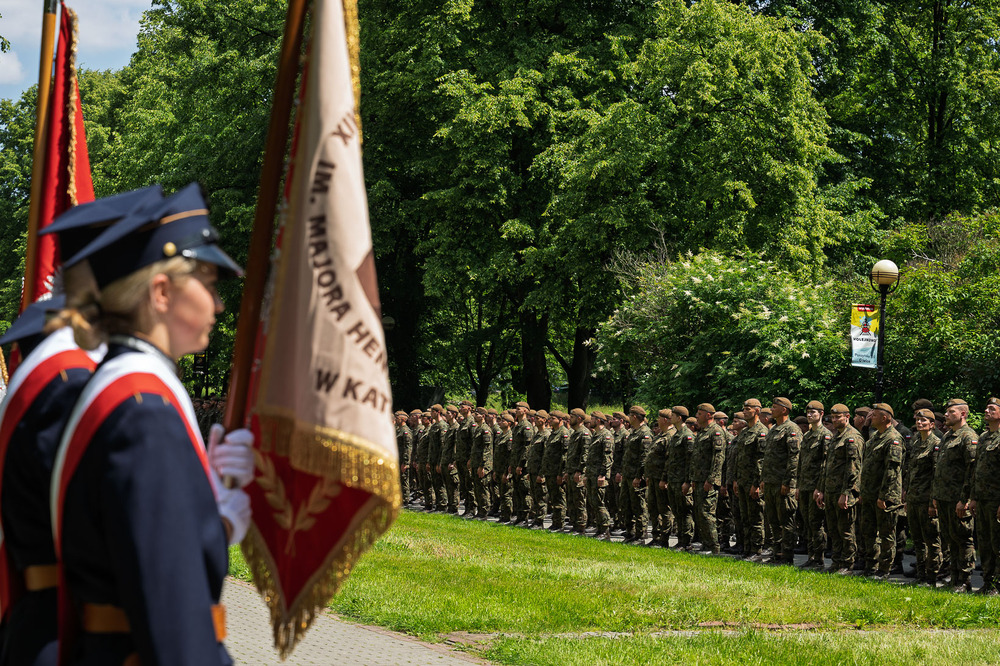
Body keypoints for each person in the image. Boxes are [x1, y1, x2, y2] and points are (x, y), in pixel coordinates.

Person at [50, 183, 254, 664]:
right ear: (161, 292)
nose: (219, 304)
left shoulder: (127, 388)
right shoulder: (145, 413)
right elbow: (178, 625)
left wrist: (213, 512)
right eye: (207, 282)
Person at [932, 398, 978, 593]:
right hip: (944, 497)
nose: (947, 415)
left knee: (963, 538)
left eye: (951, 412)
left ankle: (965, 580)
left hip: (958, 498)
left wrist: (965, 499)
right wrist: (936, 494)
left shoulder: (968, 436)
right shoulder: (948, 436)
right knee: (949, 538)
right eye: (947, 411)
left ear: (963, 414)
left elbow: (972, 470)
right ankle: (954, 577)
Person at [760, 397, 801, 564]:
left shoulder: (791, 429)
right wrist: (763, 479)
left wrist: (789, 482)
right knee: (773, 520)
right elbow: (767, 458)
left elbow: (794, 458)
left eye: (774, 407)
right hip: (770, 482)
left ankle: (787, 555)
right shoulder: (774, 429)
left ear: (784, 410)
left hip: (782, 483)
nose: (771, 410)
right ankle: (777, 553)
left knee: (786, 520)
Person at [905, 408, 941, 585]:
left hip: (926, 498)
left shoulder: (936, 444)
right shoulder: (915, 441)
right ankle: (920, 575)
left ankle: (932, 576)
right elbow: (909, 470)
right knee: (917, 540)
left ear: (932, 425)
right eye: (918, 421)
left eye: (924, 421)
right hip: (913, 497)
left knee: (931, 539)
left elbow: (936, 475)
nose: (920, 423)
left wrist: (933, 502)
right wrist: (906, 492)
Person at [970, 398, 1000, 594]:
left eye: (992, 408)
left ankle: (997, 584)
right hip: (981, 499)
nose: (986, 411)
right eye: (986, 407)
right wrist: (972, 497)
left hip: (996, 500)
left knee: (998, 543)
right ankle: (987, 583)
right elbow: (976, 470)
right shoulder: (983, 437)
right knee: (985, 543)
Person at [687, 404, 726, 555]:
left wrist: (712, 479)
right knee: (699, 513)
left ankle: (713, 547)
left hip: (708, 481)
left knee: (707, 514)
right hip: (698, 479)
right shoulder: (703, 432)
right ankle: (705, 543)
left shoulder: (715, 432)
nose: (697, 416)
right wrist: (692, 479)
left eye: (700, 413)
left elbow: (718, 458)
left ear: (709, 415)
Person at [797, 400, 831, 570]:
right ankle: (811, 556)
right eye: (808, 412)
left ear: (821, 414)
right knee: (807, 523)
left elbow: (825, 465)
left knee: (816, 523)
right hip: (804, 485)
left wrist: (820, 488)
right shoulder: (807, 435)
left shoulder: (825, 435)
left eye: (813, 413)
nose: (810, 415)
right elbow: (801, 462)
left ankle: (819, 558)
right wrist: (797, 486)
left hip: (816, 486)